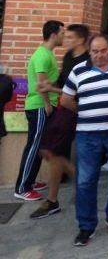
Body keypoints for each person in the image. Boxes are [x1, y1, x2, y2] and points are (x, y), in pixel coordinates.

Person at [61, 34, 108, 246]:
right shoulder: (78, 71)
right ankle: (86, 226)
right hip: (88, 133)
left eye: (103, 51)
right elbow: (66, 99)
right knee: (85, 180)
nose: (99, 55)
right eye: (95, 51)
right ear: (89, 51)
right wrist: (86, 111)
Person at [29, 24, 90, 219]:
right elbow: (65, 84)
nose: (66, 39)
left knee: (52, 152)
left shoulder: (88, 61)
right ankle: (57, 197)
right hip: (64, 110)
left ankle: (68, 192)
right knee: (50, 152)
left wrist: (51, 90)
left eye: (71, 37)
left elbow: (78, 93)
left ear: (81, 40)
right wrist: (50, 85)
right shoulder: (69, 57)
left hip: (75, 112)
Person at [15, 20, 64, 201]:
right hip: (38, 107)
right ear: (53, 35)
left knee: (39, 147)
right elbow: (42, 85)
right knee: (34, 146)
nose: (63, 37)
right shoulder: (42, 55)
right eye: (62, 33)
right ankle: (22, 188)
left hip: (41, 106)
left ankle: (30, 181)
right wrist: (50, 101)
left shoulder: (47, 53)